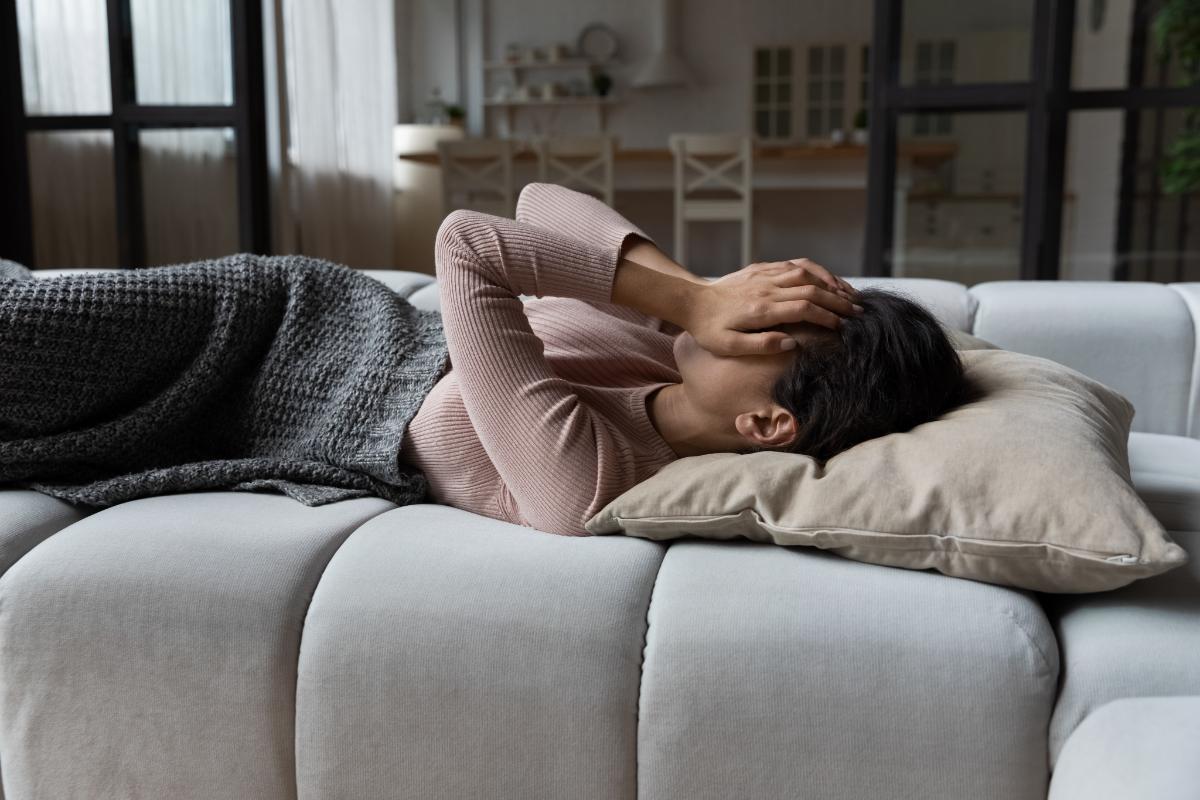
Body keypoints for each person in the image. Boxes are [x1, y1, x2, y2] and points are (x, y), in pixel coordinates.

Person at [400, 183, 972, 536]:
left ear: (768, 422)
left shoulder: (586, 475)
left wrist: (695, 301)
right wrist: (699, 294)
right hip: (350, 305)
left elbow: (466, 241)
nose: (741, 313)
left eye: (765, 327)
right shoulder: (670, 352)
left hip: (321, 385)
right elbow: (540, 203)